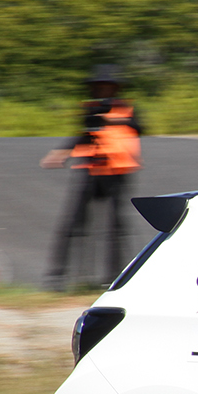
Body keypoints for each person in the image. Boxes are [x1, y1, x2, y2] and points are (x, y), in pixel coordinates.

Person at [41, 65, 144, 290]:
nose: (102, 90)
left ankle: (113, 277)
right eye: (98, 86)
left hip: (117, 172)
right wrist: (62, 152)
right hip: (91, 171)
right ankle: (56, 276)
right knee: (73, 223)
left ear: (115, 88)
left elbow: (140, 127)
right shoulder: (90, 110)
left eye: (106, 86)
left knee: (116, 227)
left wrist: (112, 120)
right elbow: (83, 136)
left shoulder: (127, 110)